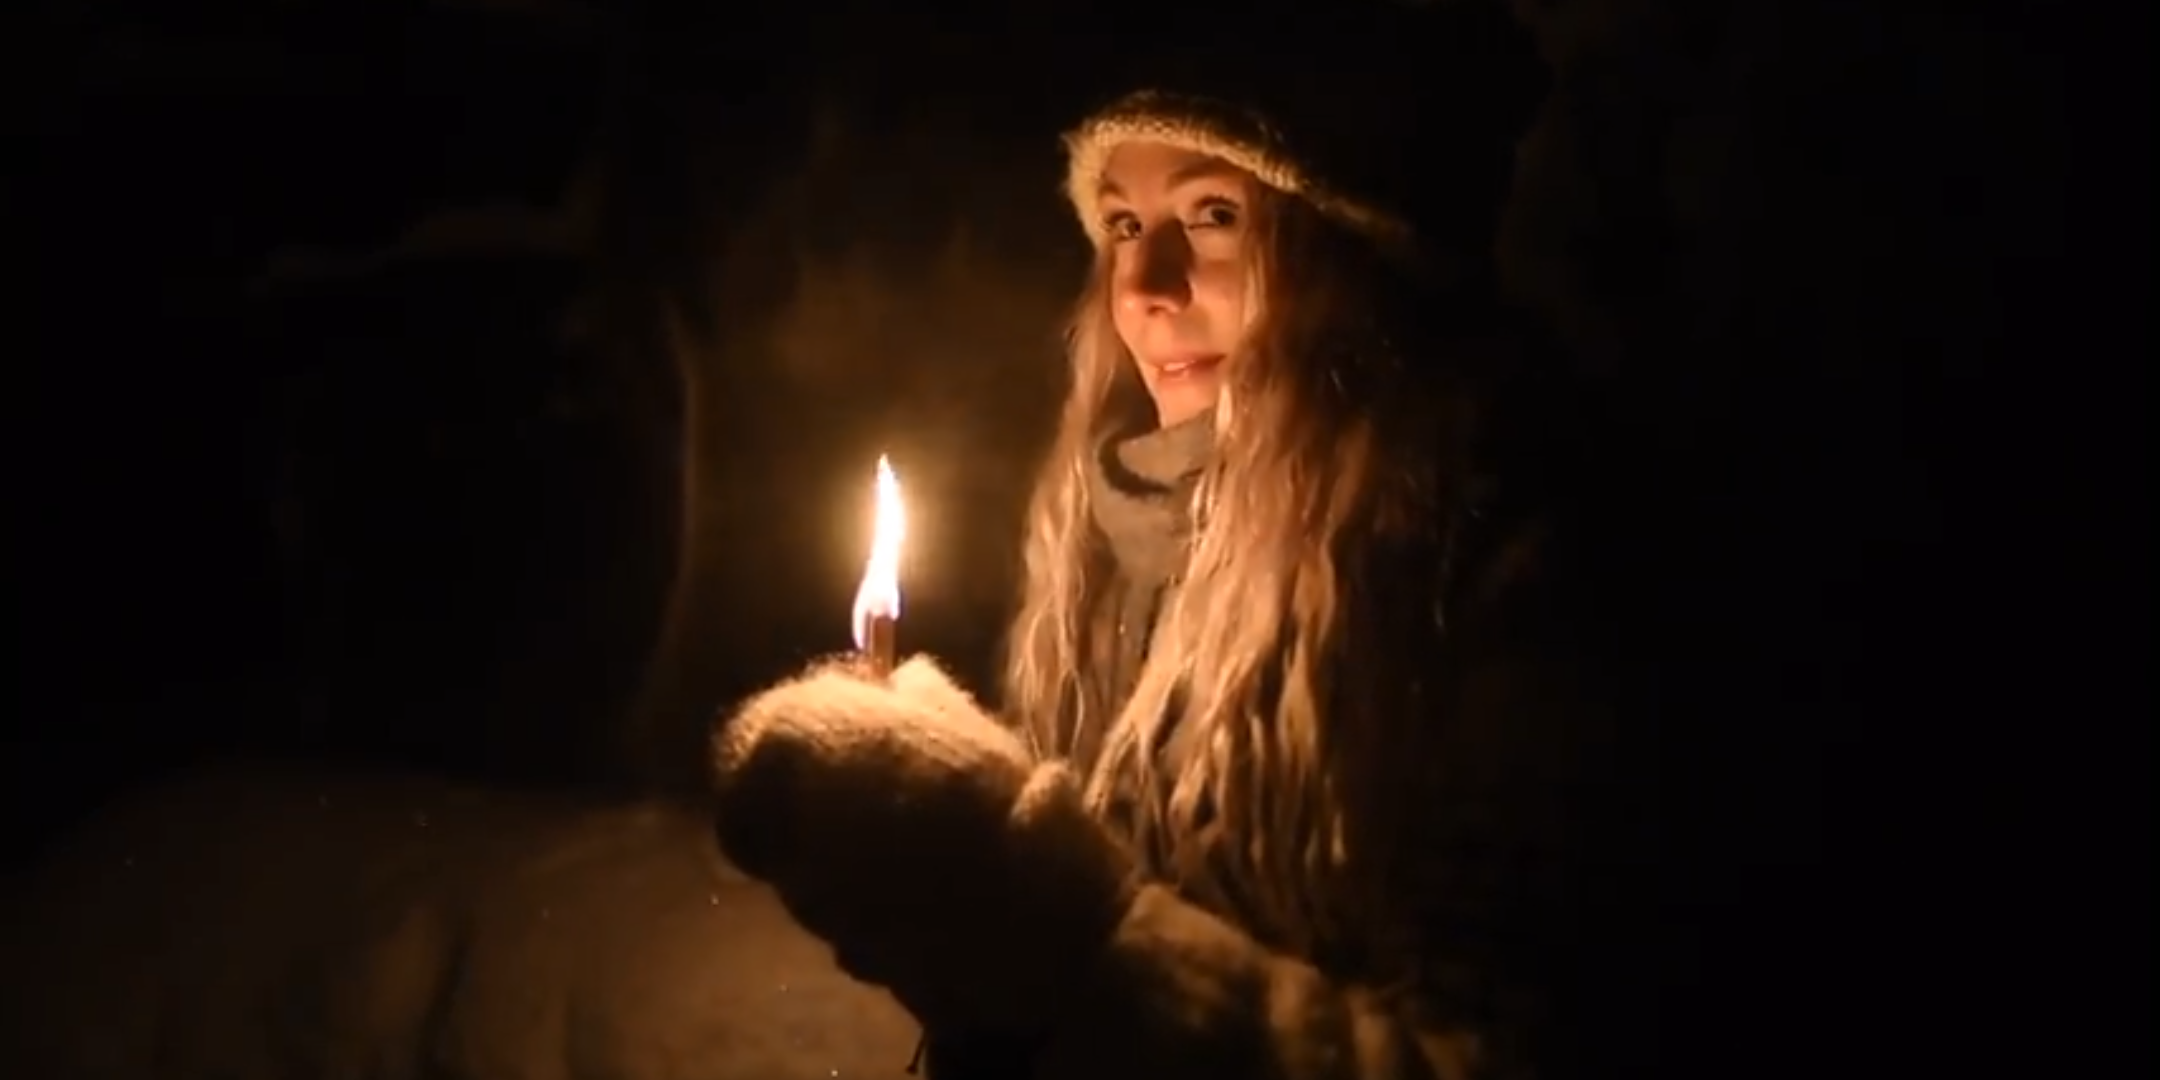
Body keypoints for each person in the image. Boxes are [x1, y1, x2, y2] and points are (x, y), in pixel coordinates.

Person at [710, 70, 1602, 1079]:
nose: (1143, 288)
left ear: (1351, 263)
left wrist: (1026, 902)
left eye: (1214, 215)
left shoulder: (1495, 577)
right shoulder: (1100, 554)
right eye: (1125, 226)